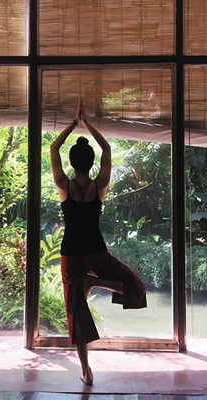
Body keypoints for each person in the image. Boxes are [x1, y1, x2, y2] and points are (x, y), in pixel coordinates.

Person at [50, 98, 147, 386]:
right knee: (136, 287)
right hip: (96, 253)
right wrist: (87, 124)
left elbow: (53, 148)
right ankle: (96, 282)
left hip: (71, 255)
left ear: (72, 163)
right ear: (91, 163)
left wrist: (73, 124)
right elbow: (107, 149)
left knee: (76, 313)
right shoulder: (99, 186)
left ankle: (86, 371)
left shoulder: (64, 186)